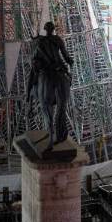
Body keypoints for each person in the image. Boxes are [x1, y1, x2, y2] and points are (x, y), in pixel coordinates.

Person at [28, 21, 74, 151]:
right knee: (62, 105)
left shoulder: (40, 42)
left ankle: (28, 99)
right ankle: (60, 133)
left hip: (47, 70)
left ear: (45, 29)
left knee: (32, 79)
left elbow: (34, 59)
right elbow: (65, 56)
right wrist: (70, 62)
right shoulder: (58, 39)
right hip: (60, 69)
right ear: (53, 29)